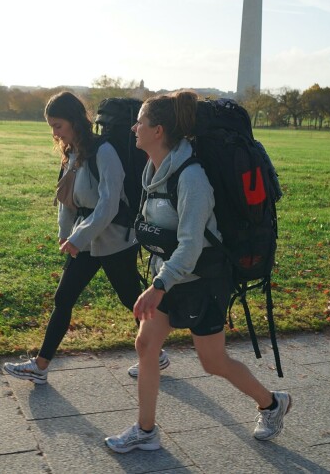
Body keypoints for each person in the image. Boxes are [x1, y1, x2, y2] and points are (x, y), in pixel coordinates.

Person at [105, 91, 291, 453]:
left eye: (140, 121)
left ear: (157, 130)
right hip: (171, 276)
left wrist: (158, 285)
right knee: (145, 344)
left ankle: (272, 403)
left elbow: (190, 246)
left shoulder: (191, 179)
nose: (134, 127)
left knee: (213, 361)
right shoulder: (154, 170)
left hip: (202, 280)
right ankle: (146, 432)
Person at [3, 91, 168, 384]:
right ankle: (40, 366)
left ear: (75, 121)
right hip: (88, 239)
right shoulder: (72, 153)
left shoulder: (104, 152)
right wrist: (65, 236)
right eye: (52, 126)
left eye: (58, 126)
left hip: (116, 238)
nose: (55, 133)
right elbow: (68, 200)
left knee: (131, 298)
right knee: (63, 298)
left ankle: (156, 353)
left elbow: (109, 205)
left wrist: (77, 238)